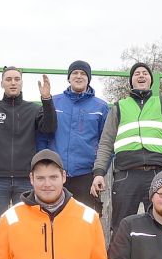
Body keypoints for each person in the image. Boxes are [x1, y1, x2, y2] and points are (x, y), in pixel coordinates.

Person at [91, 48, 162, 234]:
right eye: (137, 73)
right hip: (126, 175)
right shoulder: (119, 107)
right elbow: (105, 143)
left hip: (157, 174)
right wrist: (98, 172)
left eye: (145, 73)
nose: (141, 75)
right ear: (131, 81)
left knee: (161, 226)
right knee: (120, 228)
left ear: (151, 80)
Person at [0, 67, 56, 242]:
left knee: (26, 224)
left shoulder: (33, 109)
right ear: (2, 83)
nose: (13, 82)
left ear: (21, 83)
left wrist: (47, 100)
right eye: (9, 79)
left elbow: (49, 127)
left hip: (25, 178)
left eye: (17, 79)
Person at [38, 60, 109, 213]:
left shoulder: (101, 107)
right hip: (55, 173)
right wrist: (44, 166)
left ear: (88, 78)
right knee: (53, 220)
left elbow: (106, 143)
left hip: (85, 175)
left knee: (85, 222)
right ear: (69, 78)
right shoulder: (53, 102)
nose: (79, 76)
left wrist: (99, 173)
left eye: (83, 74)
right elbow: (42, 136)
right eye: (75, 73)